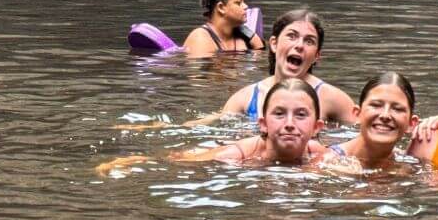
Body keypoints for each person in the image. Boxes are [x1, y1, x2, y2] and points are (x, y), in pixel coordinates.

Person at [98, 79, 359, 176]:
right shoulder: (235, 156)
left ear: (317, 127)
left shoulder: (317, 152)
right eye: (279, 114)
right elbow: (175, 162)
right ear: (263, 124)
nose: (289, 123)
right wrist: (135, 160)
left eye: (300, 115)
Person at [222, 9, 355, 123]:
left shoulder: (333, 99)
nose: (299, 45)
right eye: (292, 36)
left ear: (316, 55)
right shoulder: (244, 98)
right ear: (274, 44)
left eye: (309, 41)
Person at [328, 72, 419, 171]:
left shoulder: (406, 164)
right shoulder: (327, 162)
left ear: (411, 123)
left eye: (397, 109)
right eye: (375, 105)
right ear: (357, 114)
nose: (385, 115)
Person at [182, 0, 264, 57]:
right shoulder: (200, 39)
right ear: (221, 7)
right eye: (239, 3)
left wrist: (256, 43)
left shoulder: (246, 36)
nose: (246, 6)